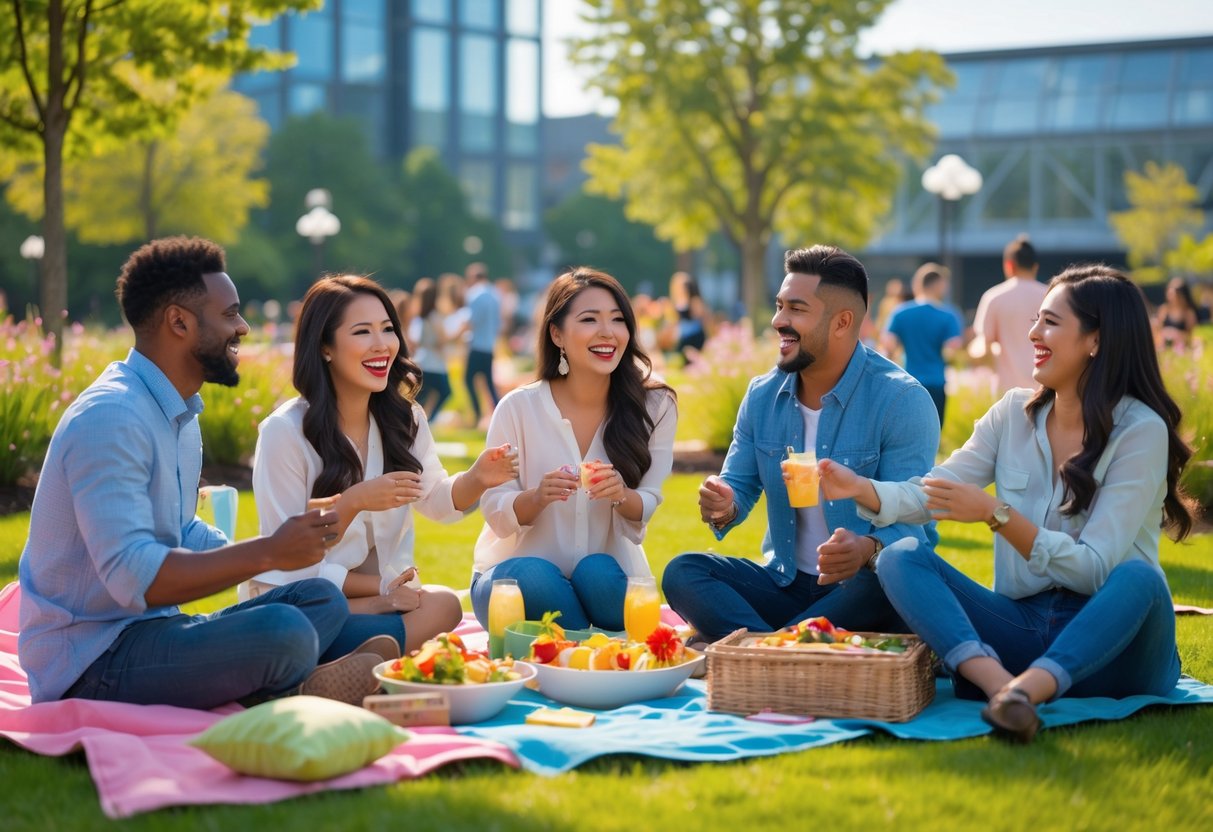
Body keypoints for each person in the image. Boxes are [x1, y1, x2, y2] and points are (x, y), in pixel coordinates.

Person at [820, 264, 1197, 743]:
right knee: (899, 556)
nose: (1032, 333)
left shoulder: (1140, 430)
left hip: (1118, 652)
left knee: (1140, 577)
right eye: (1037, 319)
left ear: (1095, 341)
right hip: (1023, 628)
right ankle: (1003, 690)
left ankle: (1029, 690)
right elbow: (934, 489)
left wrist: (995, 515)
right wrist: (861, 488)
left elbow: (1094, 570)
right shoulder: (1012, 415)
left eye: (1051, 322)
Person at [17, 236, 379, 709]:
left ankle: (293, 679)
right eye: (229, 314)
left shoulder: (179, 415)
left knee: (318, 599)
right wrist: (268, 553)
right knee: (283, 630)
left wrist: (286, 548)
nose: (244, 327)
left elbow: (178, 528)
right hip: (91, 663)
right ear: (179, 322)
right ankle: (299, 682)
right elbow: (136, 580)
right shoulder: (110, 417)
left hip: (153, 632)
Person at [662, 246, 940, 644]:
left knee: (888, 579)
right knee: (684, 572)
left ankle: (760, 646)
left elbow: (915, 529)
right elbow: (737, 486)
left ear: (842, 322)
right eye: (779, 307)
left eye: (795, 309)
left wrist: (867, 548)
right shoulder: (762, 395)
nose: (778, 321)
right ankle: (783, 646)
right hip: (785, 583)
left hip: (860, 589)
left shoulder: (901, 400)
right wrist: (724, 503)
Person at [252, 275, 518, 655]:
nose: (382, 345)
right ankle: (348, 658)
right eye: (362, 332)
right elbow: (288, 562)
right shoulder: (285, 433)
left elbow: (437, 501)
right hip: (308, 604)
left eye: (388, 329)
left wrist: (477, 478)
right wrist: (353, 503)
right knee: (301, 622)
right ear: (325, 347)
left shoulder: (404, 418)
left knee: (443, 604)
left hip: (387, 602)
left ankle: (340, 662)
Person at [470, 268, 678, 631]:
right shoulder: (519, 408)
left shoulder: (655, 406)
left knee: (597, 570)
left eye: (618, 320)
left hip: (603, 581)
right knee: (535, 577)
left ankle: (576, 644)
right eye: (589, 320)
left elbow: (649, 499)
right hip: (516, 578)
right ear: (557, 334)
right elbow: (494, 509)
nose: (607, 332)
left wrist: (621, 493)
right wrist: (536, 497)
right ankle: (595, 647)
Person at [882, 262, 964, 423]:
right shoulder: (948, 315)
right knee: (933, 431)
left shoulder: (900, 312)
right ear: (940, 285)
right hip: (936, 381)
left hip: (907, 381)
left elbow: (888, 344)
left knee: (908, 431)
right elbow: (951, 351)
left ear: (918, 284)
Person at [970, 234, 1048, 391]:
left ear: (1009, 265)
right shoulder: (1050, 296)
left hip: (1005, 390)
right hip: (1044, 386)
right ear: (1035, 267)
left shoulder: (994, 297)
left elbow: (982, 346)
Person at [407, 277, 453, 419]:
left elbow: (413, 340)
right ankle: (429, 419)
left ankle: (417, 419)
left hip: (421, 361)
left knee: (421, 395)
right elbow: (441, 340)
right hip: (434, 363)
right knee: (445, 391)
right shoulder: (435, 316)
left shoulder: (419, 318)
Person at [462, 262, 501, 428]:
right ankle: (500, 412)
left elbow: (471, 321)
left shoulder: (475, 294)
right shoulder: (495, 294)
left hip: (477, 345)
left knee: (468, 379)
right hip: (490, 345)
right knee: (489, 384)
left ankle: (477, 413)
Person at [666, 271, 710, 360]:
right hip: (682, 337)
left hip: (694, 337)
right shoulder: (674, 304)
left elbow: (703, 320)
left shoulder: (695, 302)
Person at [1154, 276, 1200, 351]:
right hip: (1164, 348)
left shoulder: (1188, 313)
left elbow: (1191, 336)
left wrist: (1175, 333)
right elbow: (1158, 332)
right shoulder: (1164, 310)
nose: (1171, 296)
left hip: (1182, 349)